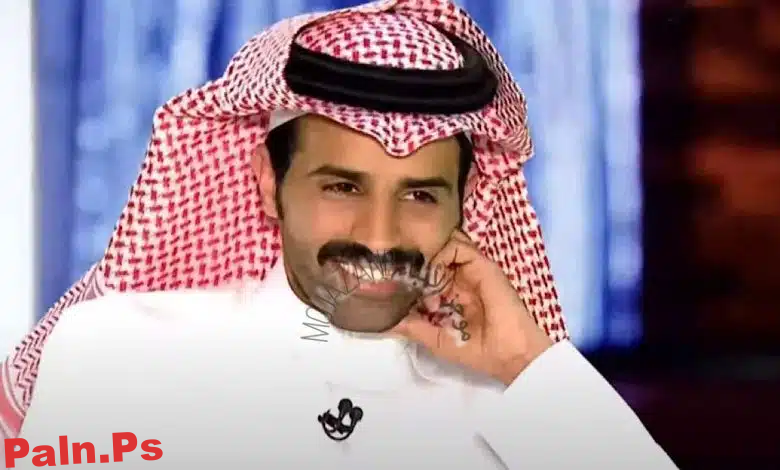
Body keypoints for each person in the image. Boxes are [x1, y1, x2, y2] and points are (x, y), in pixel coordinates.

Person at [4, 1, 678, 468]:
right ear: (268, 183)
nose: (379, 239)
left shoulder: (512, 399)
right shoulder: (121, 354)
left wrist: (527, 363)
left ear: (466, 201)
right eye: (342, 187)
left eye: (419, 195)